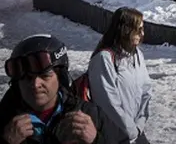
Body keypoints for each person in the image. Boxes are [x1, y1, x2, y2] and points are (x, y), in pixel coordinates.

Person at [1, 34, 130, 144]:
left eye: (45, 76)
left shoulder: (88, 115)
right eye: (27, 78)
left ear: (60, 78)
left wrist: (96, 139)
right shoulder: (4, 119)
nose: (36, 84)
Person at [87, 7, 153, 143]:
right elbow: (108, 102)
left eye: (142, 29)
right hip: (114, 135)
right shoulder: (104, 59)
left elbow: (146, 90)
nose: (142, 34)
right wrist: (129, 129)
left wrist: (140, 123)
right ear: (125, 29)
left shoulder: (137, 55)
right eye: (138, 30)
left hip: (136, 132)